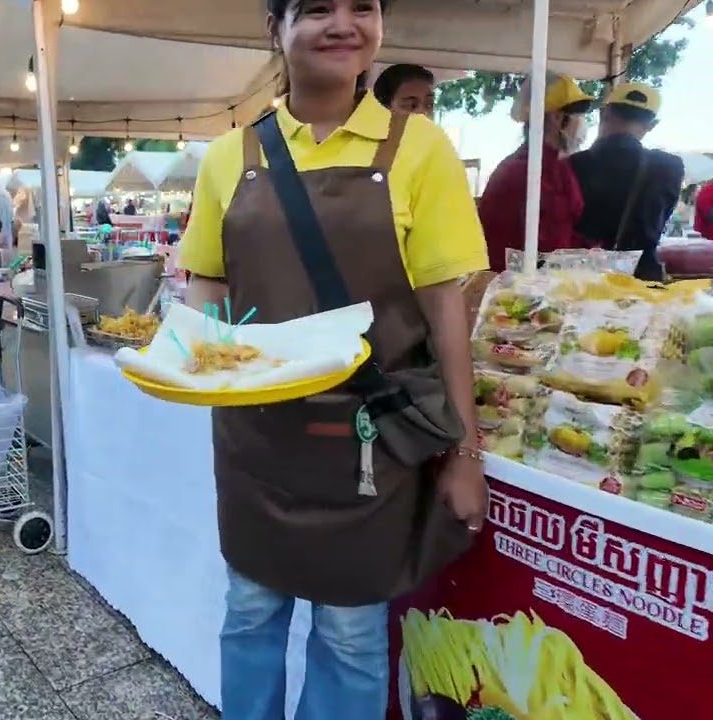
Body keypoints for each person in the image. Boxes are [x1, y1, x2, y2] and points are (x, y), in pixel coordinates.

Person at [179, 1, 487, 717]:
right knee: (250, 612)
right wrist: (192, 355)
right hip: (256, 435)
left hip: (367, 440)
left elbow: (447, 309)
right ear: (277, 29)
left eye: (363, 8)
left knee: (350, 632)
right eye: (317, 8)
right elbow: (207, 282)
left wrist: (468, 452)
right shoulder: (232, 155)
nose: (343, 23)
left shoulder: (420, 147)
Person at [567, 83, 684, 281]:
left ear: (604, 114)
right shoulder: (670, 167)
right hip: (643, 283)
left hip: (585, 283)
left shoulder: (572, 165)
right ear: (651, 125)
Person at [479, 72, 591, 272]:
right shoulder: (526, 172)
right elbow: (549, 248)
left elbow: (568, 232)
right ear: (557, 117)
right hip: (518, 292)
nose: (583, 123)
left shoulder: (556, 166)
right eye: (579, 115)